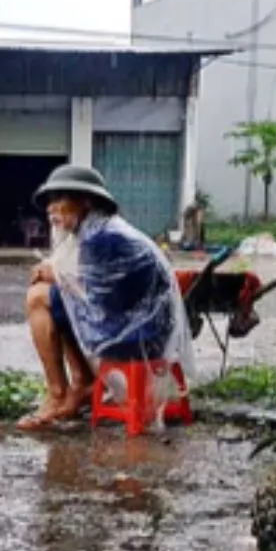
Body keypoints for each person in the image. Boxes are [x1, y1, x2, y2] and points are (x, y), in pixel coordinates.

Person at [19, 165, 191, 431]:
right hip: (143, 330)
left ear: (85, 201)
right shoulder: (102, 230)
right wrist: (59, 276)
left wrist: (57, 275)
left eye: (59, 199)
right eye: (49, 202)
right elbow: (93, 290)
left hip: (136, 337)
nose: (51, 208)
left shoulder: (102, 238)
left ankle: (57, 394)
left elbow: (99, 296)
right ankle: (81, 383)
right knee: (56, 298)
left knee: (37, 298)